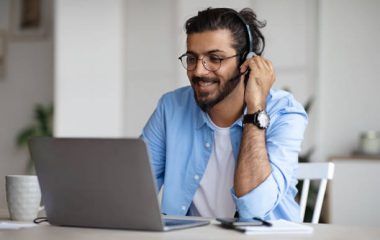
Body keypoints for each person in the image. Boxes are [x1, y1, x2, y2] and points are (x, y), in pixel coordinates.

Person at [142, 7, 307, 221]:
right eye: (192, 58)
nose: (199, 71)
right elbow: (134, 192)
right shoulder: (172, 107)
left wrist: (255, 107)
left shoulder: (285, 112)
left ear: (245, 62)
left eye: (215, 58)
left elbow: (255, 208)